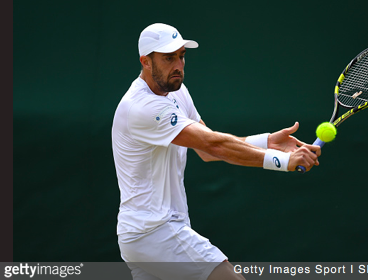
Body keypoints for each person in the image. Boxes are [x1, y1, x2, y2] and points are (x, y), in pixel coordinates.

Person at [112, 23, 321, 280]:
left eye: (181, 56)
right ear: (146, 61)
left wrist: (266, 141)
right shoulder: (143, 107)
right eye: (168, 58)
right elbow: (215, 146)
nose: (178, 65)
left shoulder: (177, 92)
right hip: (156, 230)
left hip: (140, 236)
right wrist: (283, 161)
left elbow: (207, 148)